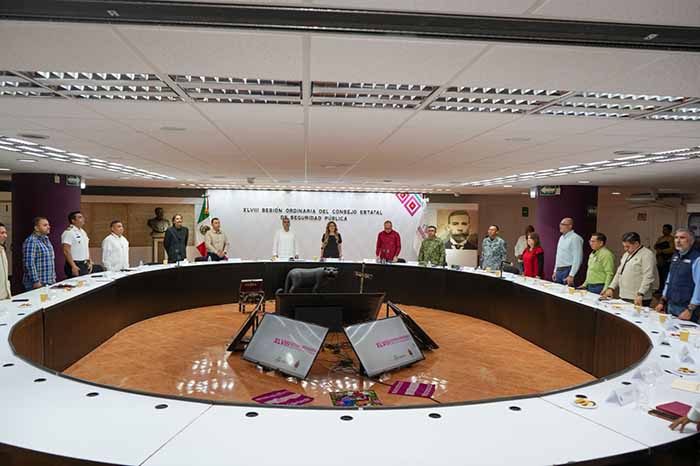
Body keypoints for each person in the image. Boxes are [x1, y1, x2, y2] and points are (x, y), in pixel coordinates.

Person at [603, 232, 658, 307]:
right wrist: (611, 288)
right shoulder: (626, 255)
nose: (625, 249)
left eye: (628, 246)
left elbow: (648, 276)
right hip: (624, 295)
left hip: (639, 297)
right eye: (624, 246)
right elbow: (619, 273)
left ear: (636, 243)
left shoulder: (647, 254)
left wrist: (641, 293)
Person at [655, 228, 700, 321]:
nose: (678, 241)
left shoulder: (696, 259)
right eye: (676, 237)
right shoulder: (675, 256)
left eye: (682, 238)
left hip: (686, 308)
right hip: (671, 304)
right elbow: (669, 280)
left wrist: (690, 309)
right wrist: (662, 301)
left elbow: (699, 287)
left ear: (691, 241)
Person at [22, 217, 56, 290]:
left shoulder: (46, 239)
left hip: (49, 282)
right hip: (37, 284)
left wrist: (53, 278)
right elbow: (29, 263)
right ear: (36, 228)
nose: (48, 227)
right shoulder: (31, 241)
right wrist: (36, 281)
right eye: (45, 225)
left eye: (48, 225)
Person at [552, 217, 584, 286]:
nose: (560, 226)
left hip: (568, 270)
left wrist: (571, 275)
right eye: (560, 224)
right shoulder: (561, 238)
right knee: (557, 290)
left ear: (570, 226)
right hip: (559, 270)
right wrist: (555, 271)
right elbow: (558, 256)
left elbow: (577, 258)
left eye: (563, 224)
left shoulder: (575, 238)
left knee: (566, 291)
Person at [62, 210, 92, 278]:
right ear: (73, 220)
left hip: (84, 264)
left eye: (83, 217)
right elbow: (66, 250)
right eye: (80, 217)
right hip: (75, 264)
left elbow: (86, 247)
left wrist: (89, 260)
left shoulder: (83, 231)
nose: (83, 219)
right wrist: (73, 266)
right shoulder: (69, 232)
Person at [654, 224, 675, 294]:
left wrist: (662, 250)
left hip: (667, 260)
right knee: (660, 276)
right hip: (659, 259)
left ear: (670, 231)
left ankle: (666, 291)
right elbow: (655, 246)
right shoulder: (660, 238)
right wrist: (659, 249)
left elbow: (672, 249)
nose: (663, 231)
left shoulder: (672, 239)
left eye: (665, 229)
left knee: (666, 276)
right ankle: (660, 289)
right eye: (663, 229)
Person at [0, 223, 11, 299]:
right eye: (2, 233)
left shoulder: (2, 249)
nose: (5, 236)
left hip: (4, 296)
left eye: (5, 233)